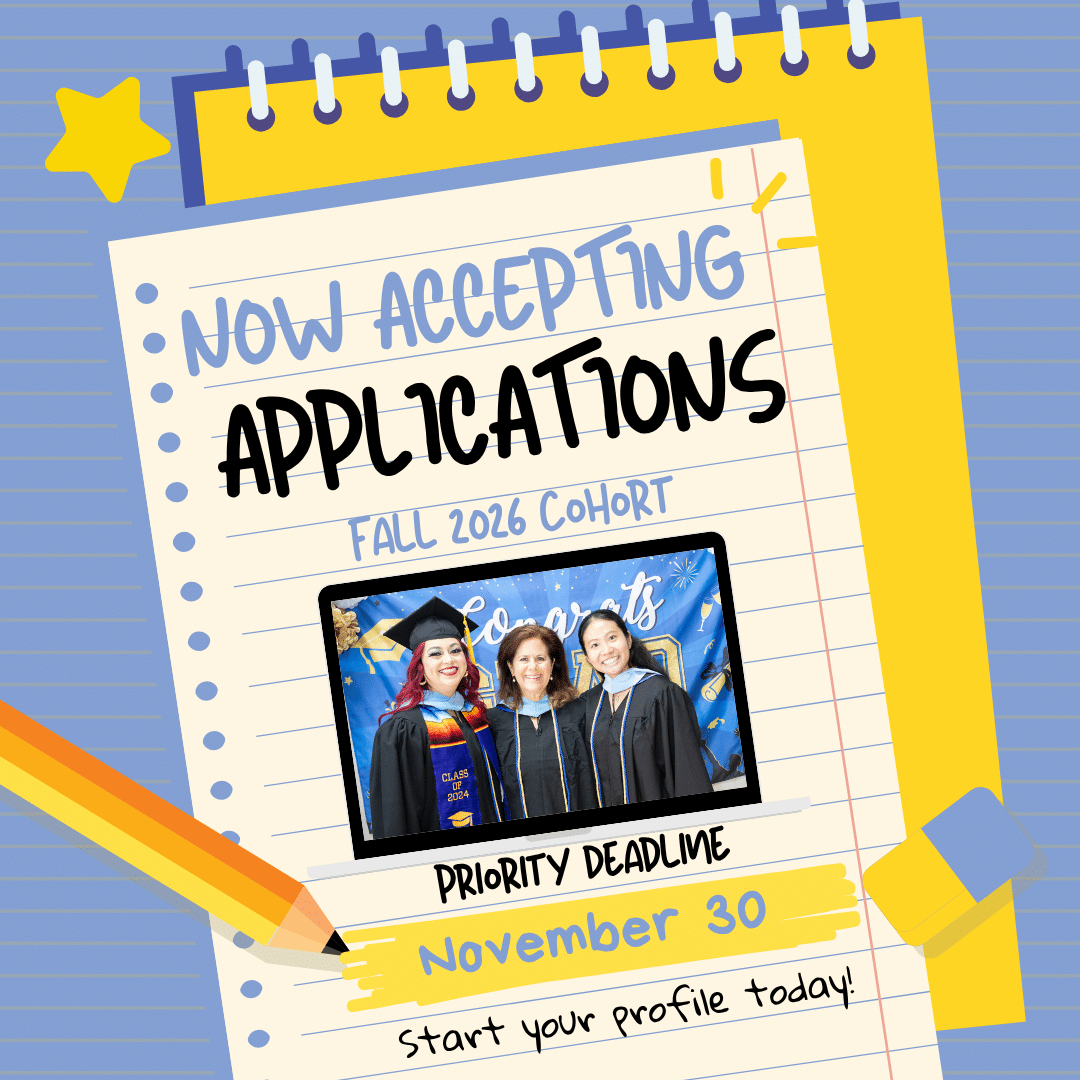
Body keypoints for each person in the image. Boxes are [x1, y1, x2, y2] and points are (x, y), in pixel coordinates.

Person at [368, 597, 507, 838]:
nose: (448, 659)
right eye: (435, 653)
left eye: (455, 650)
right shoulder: (403, 730)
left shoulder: (478, 717)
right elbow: (394, 817)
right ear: (419, 668)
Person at [577, 609, 712, 806]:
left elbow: (686, 770)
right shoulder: (589, 703)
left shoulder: (662, 694)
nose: (606, 650)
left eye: (612, 638)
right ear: (588, 657)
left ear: (628, 639)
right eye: (594, 645)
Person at [487, 624, 598, 820]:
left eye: (540, 658)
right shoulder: (493, 722)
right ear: (511, 667)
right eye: (523, 659)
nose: (533, 667)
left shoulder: (580, 712)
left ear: (552, 664)